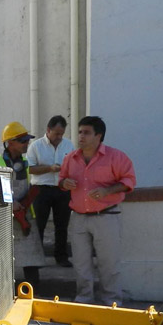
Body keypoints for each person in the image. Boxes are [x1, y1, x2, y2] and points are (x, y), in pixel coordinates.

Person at [58, 116, 136, 305]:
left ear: (98, 136)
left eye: (86, 132)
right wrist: (64, 183)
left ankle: (112, 302)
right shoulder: (70, 158)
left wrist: (107, 191)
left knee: (109, 264)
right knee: (81, 264)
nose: (81, 136)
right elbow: (61, 180)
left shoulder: (116, 157)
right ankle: (84, 299)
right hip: (78, 217)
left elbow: (129, 181)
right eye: (79, 132)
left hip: (107, 216)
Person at [0, 122, 45, 287]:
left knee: (32, 260)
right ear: (10, 142)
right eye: (22, 141)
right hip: (4, 218)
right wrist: (10, 203)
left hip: (26, 215)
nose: (26, 144)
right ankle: (6, 297)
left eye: (27, 140)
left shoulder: (26, 163)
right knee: (4, 261)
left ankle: (35, 295)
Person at [26, 115, 75, 267]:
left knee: (62, 225)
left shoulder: (68, 145)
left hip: (62, 189)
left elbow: (74, 165)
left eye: (62, 134)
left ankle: (61, 257)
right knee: (39, 225)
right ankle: (37, 258)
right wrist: (50, 168)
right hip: (41, 190)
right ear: (48, 130)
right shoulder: (36, 146)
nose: (59, 137)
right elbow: (30, 168)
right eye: (56, 134)